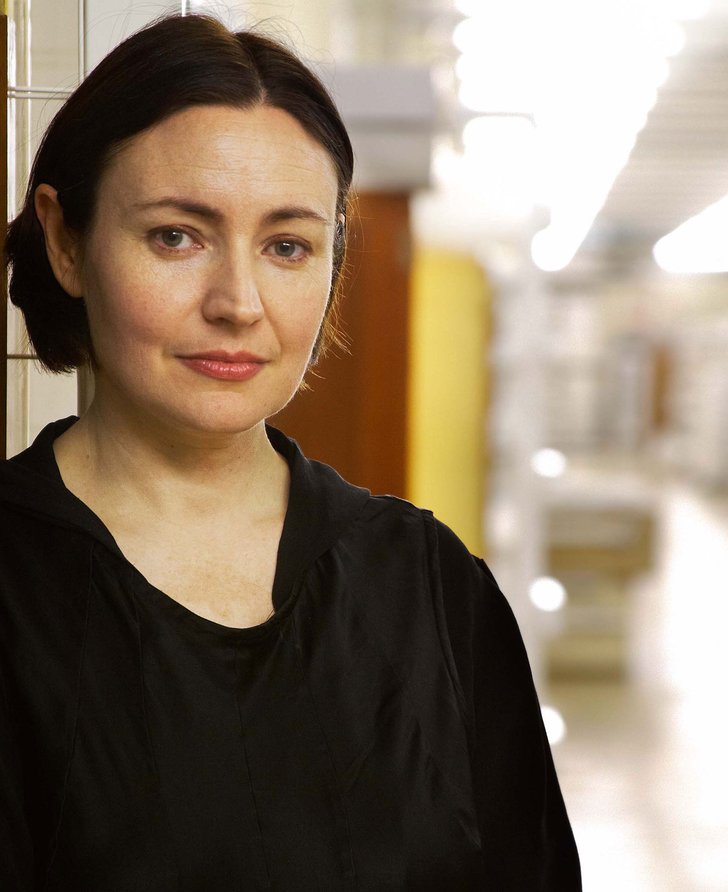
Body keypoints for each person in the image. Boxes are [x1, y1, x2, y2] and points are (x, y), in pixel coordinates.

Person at [0, 13, 581, 890]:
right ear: (66, 241)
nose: (238, 302)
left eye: (286, 246)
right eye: (176, 235)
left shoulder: (431, 585)